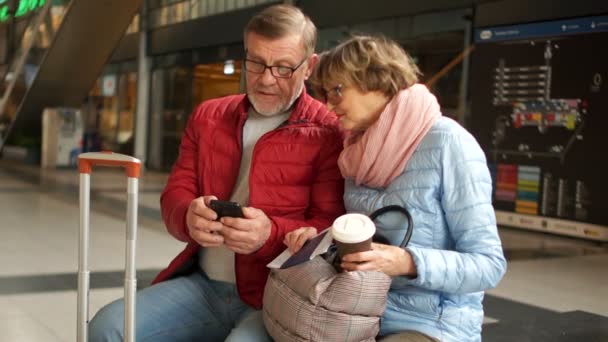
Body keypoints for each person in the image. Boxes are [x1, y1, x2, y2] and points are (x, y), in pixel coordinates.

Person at [89, 4, 345, 341]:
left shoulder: (329, 131)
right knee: (107, 328)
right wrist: (187, 215)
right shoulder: (208, 116)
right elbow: (175, 194)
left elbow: (330, 226)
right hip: (204, 285)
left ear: (309, 67)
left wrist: (269, 233)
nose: (266, 78)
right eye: (255, 62)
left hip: (278, 296)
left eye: (283, 67)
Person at [284, 35, 507, 342]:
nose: (328, 104)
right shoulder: (356, 151)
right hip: (362, 310)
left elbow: (489, 265)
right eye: (325, 93)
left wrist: (406, 262)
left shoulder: (448, 143)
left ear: (377, 81)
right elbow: (368, 241)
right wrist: (321, 244)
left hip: (432, 323)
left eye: (337, 90)